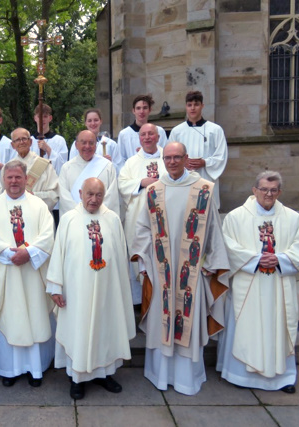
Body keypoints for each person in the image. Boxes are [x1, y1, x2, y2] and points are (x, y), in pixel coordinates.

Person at [131, 142, 229, 395]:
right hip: (161, 269)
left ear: (186, 158)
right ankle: (160, 375)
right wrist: (147, 260)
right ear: (163, 160)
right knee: (161, 319)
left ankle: (186, 379)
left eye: (177, 157)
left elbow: (214, 231)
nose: (172, 161)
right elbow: (141, 228)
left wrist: (212, 263)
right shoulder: (153, 191)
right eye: (168, 157)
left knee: (187, 318)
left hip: (191, 273)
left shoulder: (204, 190)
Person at [217, 171, 299, 394]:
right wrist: (256, 259)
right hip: (248, 284)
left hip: (280, 284)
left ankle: (283, 377)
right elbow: (228, 246)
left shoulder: (293, 217)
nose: (268, 194)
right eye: (264, 189)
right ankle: (240, 375)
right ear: (254, 190)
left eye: (273, 190)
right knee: (245, 325)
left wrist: (279, 259)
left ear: (279, 192)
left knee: (279, 325)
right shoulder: (236, 217)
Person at [47, 178, 135, 399]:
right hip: (77, 291)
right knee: (79, 329)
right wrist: (56, 286)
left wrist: (121, 288)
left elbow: (120, 257)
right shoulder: (68, 219)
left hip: (108, 289)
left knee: (105, 329)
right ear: (80, 193)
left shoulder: (113, 219)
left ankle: (104, 374)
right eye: (89, 194)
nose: (94, 200)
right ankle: (76, 378)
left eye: (98, 195)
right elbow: (58, 254)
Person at [0, 160, 55, 387]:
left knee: (34, 316)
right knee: (10, 317)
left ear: (25, 179)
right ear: (4, 180)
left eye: (18, 177)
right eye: (9, 177)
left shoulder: (39, 205)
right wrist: (12, 256)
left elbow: (47, 236)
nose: (14, 181)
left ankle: (36, 368)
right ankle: (9, 369)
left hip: (32, 275)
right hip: (7, 275)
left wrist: (29, 253)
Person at [118, 123, 167, 305]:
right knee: (140, 257)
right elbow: (122, 185)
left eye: (151, 134)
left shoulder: (168, 158)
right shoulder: (131, 162)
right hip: (139, 220)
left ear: (158, 136)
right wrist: (141, 182)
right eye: (143, 135)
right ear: (139, 139)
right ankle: (140, 302)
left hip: (165, 220)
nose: (147, 138)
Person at [168, 90, 228, 208]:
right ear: (186, 107)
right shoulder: (177, 131)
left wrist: (204, 162)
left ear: (202, 106)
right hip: (183, 178)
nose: (193, 108)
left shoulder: (215, 130)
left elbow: (221, 155)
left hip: (206, 177)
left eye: (196, 104)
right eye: (189, 105)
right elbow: (169, 154)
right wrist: (182, 163)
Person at [58, 130, 120, 218]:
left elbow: (111, 196)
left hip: (101, 219)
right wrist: (81, 214)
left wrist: (96, 213)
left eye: (91, 143)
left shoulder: (107, 166)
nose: (87, 146)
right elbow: (65, 198)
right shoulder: (66, 168)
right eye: (83, 142)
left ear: (96, 145)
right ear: (76, 145)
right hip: (76, 219)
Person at [10, 127, 59, 211]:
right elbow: (3, 195)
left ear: (30, 142)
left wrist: (33, 195)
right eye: (17, 140)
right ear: (12, 145)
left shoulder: (45, 165)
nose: (21, 142)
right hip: (16, 216)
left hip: (39, 215)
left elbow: (54, 194)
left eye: (24, 139)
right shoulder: (8, 167)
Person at [117, 95, 168, 164]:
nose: (141, 111)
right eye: (138, 108)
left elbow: (166, 155)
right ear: (133, 111)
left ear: (150, 110)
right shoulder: (124, 134)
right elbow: (120, 160)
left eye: (145, 108)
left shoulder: (159, 131)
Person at [30, 103, 68, 177]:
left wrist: (48, 149)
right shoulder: (29, 141)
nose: (42, 119)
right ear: (35, 118)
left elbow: (63, 166)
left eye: (45, 116)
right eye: (39, 116)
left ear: (50, 118)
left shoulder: (59, 140)